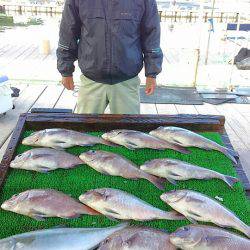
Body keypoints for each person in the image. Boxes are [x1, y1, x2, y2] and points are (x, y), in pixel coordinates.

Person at [57, 0, 163, 114]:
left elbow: (152, 34)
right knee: (85, 129)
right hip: (91, 79)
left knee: (129, 131)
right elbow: (68, 32)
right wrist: (66, 70)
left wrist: (152, 73)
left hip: (127, 81)